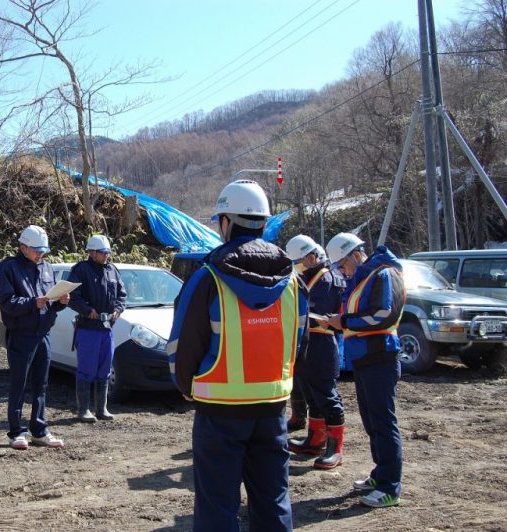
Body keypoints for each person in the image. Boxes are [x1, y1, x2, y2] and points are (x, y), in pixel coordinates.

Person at [168, 179, 308, 532]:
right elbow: (299, 342)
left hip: (219, 413)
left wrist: (187, 387)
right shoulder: (292, 281)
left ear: (227, 223)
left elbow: (182, 348)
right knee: (273, 501)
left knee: (218, 506)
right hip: (273, 407)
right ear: (263, 222)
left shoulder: (208, 278)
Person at [323, 233, 406, 508]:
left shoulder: (384, 274)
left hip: (380, 356)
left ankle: (390, 486)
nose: (342, 272)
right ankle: (380, 474)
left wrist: (343, 321)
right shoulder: (365, 278)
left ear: (353, 256)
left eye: (342, 266)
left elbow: (383, 315)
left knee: (383, 423)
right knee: (373, 423)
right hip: (365, 358)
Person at [0, 225, 70, 450]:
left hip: (43, 335)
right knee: (19, 384)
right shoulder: (9, 269)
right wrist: (31, 303)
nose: (40, 254)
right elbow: (7, 303)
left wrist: (59, 303)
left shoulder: (47, 268)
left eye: (43, 250)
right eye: (36, 250)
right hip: (21, 335)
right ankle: (17, 432)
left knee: (41, 385)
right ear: (23, 247)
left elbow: (50, 303)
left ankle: (39, 430)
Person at [285, 235, 347, 470]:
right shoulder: (309, 277)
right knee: (312, 395)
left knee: (327, 396)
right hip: (307, 345)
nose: (297, 268)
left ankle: (335, 448)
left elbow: (318, 315)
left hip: (322, 345)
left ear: (312, 257)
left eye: (299, 262)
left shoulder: (327, 279)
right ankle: (315, 440)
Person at [67, 235, 127, 422]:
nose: (106, 256)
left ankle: (101, 409)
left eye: (107, 252)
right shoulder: (80, 270)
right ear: (91, 252)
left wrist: (118, 310)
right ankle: (83, 410)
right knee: (86, 368)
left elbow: (122, 295)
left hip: (106, 329)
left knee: (104, 369)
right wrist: (87, 310)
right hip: (88, 328)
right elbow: (72, 296)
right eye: (102, 253)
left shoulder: (112, 270)